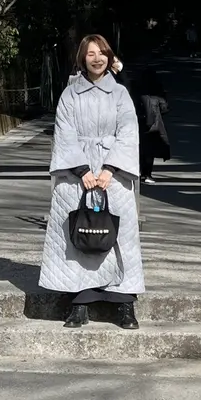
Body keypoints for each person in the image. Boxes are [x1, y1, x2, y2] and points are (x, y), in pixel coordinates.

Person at [38, 32, 144, 329]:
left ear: (110, 58)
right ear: (82, 59)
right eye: (90, 54)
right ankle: (80, 302)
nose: (97, 58)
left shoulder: (121, 94)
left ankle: (124, 303)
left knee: (121, 235)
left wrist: (110, 169)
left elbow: (128, 133)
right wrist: (82, 170)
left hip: (114, 174)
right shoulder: (70, 95)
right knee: (78, 232)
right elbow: (64, 133)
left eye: (102, 53)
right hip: (77, 173)